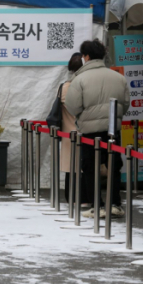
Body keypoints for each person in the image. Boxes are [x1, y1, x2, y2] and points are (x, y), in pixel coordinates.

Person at [65, 39, 130, 218]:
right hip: (112, 130)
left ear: (86, 56)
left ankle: (97, 205)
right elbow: (125, 104)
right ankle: (115, 203)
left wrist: (84, 116)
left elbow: (72, 106)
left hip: (89, 131)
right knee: (114, 166)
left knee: (90, 167)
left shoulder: (79, 79)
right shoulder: (118, 77)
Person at [60, 53, 89, 204]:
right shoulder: (82, 86)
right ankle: (82, 198)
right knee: (83, 168)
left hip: (67, 132)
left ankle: (71, 197)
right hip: (81, 132)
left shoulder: (65, 86)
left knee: (72, 168)